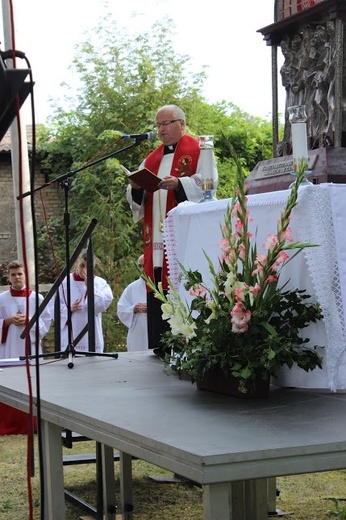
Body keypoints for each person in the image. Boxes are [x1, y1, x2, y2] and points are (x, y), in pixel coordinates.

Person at [126, 104, 218, 354]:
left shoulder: (199, 149)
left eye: (166, 123)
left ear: (182, 124)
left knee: (180, 283)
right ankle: (159, 345)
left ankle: (186, 346)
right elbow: (135, 199)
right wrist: (136, 186)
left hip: (182, 237)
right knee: (157, 285)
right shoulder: (151, 158)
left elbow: (209, 184)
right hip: (155, 240)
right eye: (158, 125)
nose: (161, 129)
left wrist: (180, 183)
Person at [0, 259, 52, 435]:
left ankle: (33, 424)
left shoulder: (36, 298)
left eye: (20, 274)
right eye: (13, 275)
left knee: (31, 381)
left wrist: (29, 322)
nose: (17, 277)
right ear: (8, 277)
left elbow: (45, 323)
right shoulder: (1, 299)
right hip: (8, 350)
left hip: (29, 348)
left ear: (25, 275)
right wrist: (6, 321)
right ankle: (10, 424)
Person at [55, 251, 113, 353]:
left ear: (94, 266)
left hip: (92, 333)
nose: (84, 270)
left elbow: (99, 306)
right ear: (77, 262)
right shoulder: (65, 281)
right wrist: (68, 309)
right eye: (82, 266)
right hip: (71, 333)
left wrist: (90, 286)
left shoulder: (100, 283)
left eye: (88, 267)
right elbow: (53, 306)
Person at [117, 254, 148, 352]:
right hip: (137, 335)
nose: (142, 268)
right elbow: (121, 310)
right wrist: (133, 309)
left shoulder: (160, 285)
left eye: (145, 265)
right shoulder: (132, 288)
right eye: (140, 266)